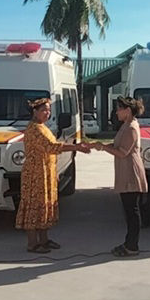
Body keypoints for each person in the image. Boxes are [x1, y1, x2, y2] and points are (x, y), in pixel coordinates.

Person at [16, 97, 90, 253]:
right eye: (44, 110)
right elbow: (51, 147)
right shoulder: (34, 129)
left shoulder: (43, 127)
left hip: (45, 171)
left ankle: (44, 240)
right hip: (35, 173)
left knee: (45, 204)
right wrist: (76, 147)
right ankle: (32, 243)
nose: (47, 113)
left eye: (49, 110)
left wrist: (54, 171)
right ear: (35, 112)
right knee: (34, 206)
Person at [93, 96, 148, 257]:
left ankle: (132, 246)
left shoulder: (131, 127)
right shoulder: (125, 125)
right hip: (125, 170)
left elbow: (123, 152)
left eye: (119, 109)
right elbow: (117, 145)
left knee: (132, 211)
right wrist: (100, 146)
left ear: (128, 110)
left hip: (131, 171)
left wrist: (104, 148)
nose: (116, 112)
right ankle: (128, 242)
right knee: (128, 210)